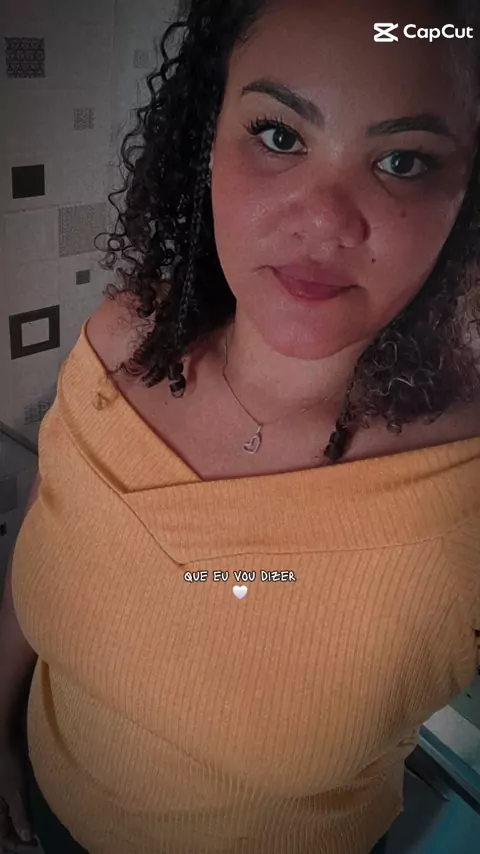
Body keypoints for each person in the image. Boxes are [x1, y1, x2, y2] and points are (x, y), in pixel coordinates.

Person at [2, 0, 480, 851]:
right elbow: (47, 525)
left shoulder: (462, 493)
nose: (323, 221)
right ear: (206, 143)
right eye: (280, 136)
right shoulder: (118, 345)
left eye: (403, 161)